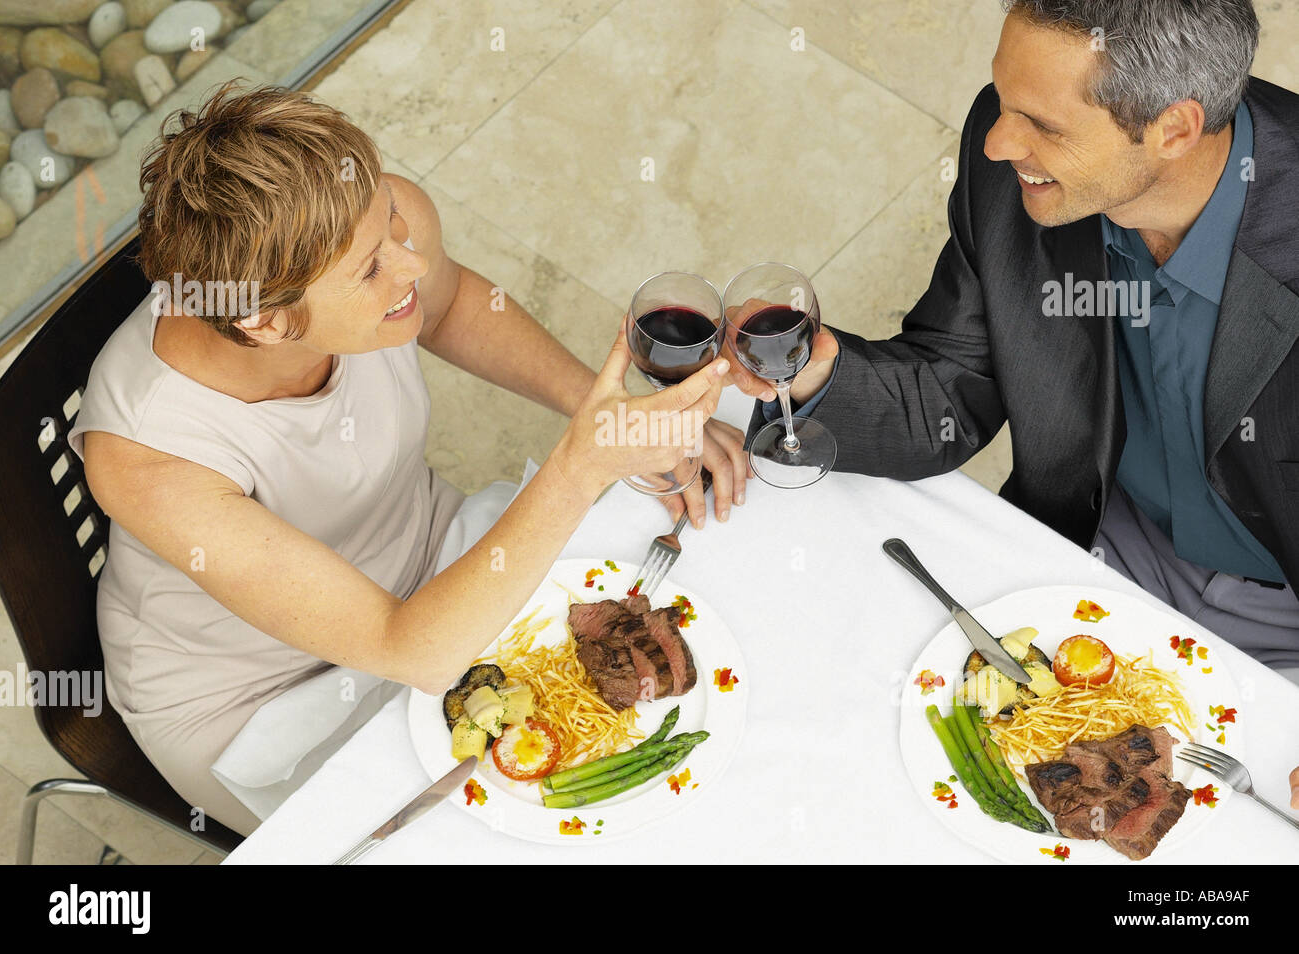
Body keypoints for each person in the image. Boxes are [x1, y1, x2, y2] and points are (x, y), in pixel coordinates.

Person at [67, 82, 744, 836]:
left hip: (431, 556)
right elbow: (407, 648)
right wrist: (582, 464)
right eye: (370, 270)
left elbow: (451, 305)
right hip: (263, 697)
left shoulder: (377, 224)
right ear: (264, 321)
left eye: (390, 218)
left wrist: (603, 412)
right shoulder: (147, 459)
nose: (412, 261)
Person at [726, 0, 1299, 809]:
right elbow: (949, 385)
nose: (998, 142)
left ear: (1174, 128)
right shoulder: (1017, 164)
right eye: (1002, 100)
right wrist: (821, 375)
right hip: (1095, 547)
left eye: (1043, 124)